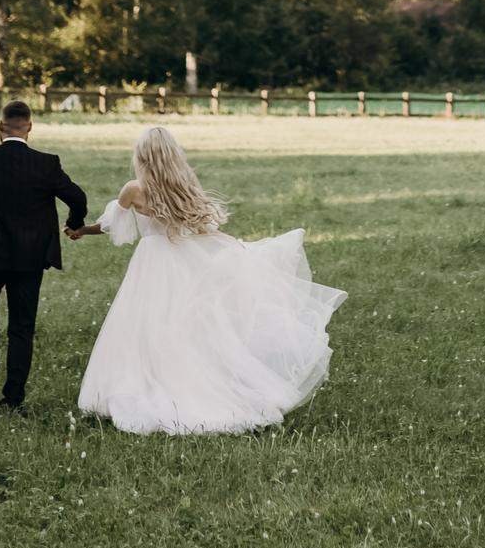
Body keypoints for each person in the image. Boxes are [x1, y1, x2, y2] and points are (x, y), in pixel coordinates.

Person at [77, 124, 345, 435]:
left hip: (152, 263)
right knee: (185, 325)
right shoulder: (184, 183)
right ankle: (188, 381)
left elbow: (111, 224)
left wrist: (81, 230)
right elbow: (201, 227)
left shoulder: (133, 189)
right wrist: (230, 246)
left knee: (147, 324)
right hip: (182, 258)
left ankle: (148, 383)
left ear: (142, 157)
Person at [0, 100, 92, 409]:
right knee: (22, 325)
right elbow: (77, 197)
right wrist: (75, 223)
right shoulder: (47, 163)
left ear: (0, 128)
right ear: (30, 128)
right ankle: (13, 397)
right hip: (30, 258)